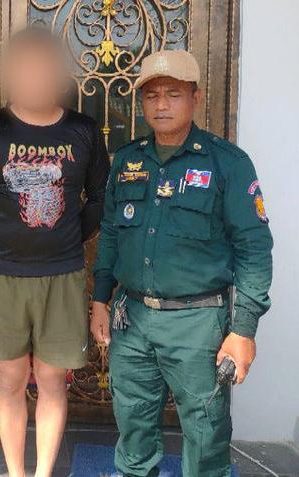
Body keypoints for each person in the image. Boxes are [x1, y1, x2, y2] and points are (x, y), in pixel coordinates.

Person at [91, 50, 273, 476]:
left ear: (196, 98)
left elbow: (254, 248)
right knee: (133, 424)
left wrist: (244, 329)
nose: (161, 105)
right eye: (151, 95)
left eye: (173, 94)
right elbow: (112, 233)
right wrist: (100, 299)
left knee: (206, 433)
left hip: (198, 323)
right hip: (132, 319)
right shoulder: (128, 160)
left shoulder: (228, 163)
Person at [0, 28, 110, 477]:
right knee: (10, 380)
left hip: (63, 275)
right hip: (2, 275)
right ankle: (15, 472)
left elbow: (101, 196)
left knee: (52, 380)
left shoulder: (82, 131)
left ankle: (42, 472)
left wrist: (69, 234)